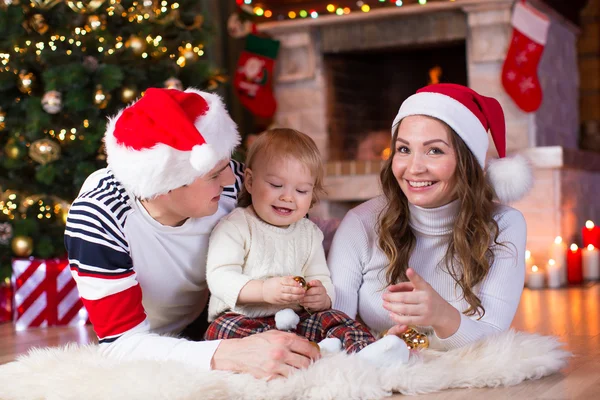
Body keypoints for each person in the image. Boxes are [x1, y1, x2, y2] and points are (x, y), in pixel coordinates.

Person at [64, 88, 320, 379]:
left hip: (221, 315)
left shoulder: (234, 182)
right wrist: (232, 354)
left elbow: (294, 232)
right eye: (214, 175)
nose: (229, 178)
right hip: (151, 341)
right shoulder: (99, 217)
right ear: (165, 185)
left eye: (226, 166)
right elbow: (120, 343)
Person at [328, 83, 532, 350]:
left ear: (467, 161)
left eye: (434, 150)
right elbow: (332, 328)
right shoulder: (360, 223)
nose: (414, 168)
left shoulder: (505, 225)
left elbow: (493, 338)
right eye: (403, 149)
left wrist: (441, 314)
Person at [203, 128, 408, 362]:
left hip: (296, 318)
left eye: (301, 190)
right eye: (276, 185)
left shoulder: (309, 233)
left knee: (335, 319)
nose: (288, 197)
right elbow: (219, 277)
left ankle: (366, 354)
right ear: (250, 181)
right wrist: (263, 291)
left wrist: (321, 295)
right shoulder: (236, 226)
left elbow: (320, 277)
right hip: (243, 318)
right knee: (225, 331)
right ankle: (313, 353)